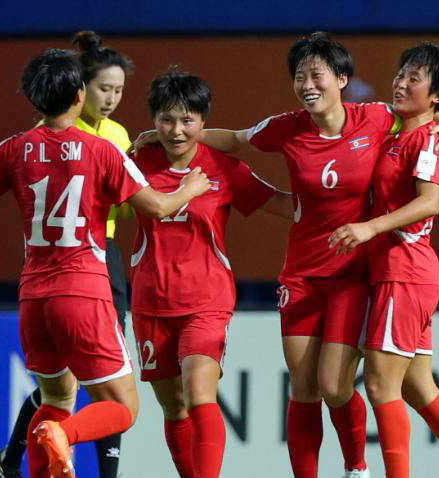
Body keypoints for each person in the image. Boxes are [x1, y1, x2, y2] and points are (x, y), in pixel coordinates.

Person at [135, 32, 439, 478]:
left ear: (342, 79)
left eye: (316, 75)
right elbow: (237, 139)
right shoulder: (286, 126)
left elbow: (420, 116)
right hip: (301, 275)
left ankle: (356, 468)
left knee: (334, 386)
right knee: (303, 388)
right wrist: (178, 132)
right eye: (299, 76)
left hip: (352, 274)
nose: (307, 84)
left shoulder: (377, 117)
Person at [0, 48, 209, 478]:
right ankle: (65, 435)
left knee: (55, 400)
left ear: (34, 99)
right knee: (123, 407)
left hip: (34, 299)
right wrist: (189, 189)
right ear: (79, 96)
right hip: (83, 293)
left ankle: (53, 435)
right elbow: (156, 207)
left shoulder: (15, 148)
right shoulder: (102, 150)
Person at [328, 42, 439, 478]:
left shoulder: (426, 139)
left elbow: (430, 201)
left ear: (437, 95)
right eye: (401, 74)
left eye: (415, 79)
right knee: (418, 387)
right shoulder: (401, 132)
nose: (400, 83)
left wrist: (370, 227)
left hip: (403, 274)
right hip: (401, 274)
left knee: (380, 385)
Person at [131, 68, 291, 478]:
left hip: (207, 299)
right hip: (151, 301)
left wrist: (344, 203)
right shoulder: (136, 164)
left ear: (204, 120)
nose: (176, 130)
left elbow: (279, 203)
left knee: (199, 393)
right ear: (153, 121)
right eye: (166, 119)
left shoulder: (223, 167)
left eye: (187, 120)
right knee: (173, 407)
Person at [0, 30, 135, 478]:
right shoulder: (74, 140)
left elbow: (125, 206)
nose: (110, 99)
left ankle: (19, 457)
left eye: (118, 91)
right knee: (104, 396)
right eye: (103, 89)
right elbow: (145, 202)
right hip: (79, 269)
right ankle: (30, 448)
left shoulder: (117, 135)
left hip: (88, 262)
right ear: (80, 91)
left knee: (65, 392)